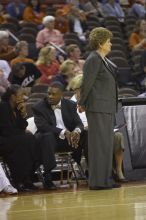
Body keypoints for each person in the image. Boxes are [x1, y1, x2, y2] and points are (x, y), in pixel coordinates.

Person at [79, 27, 119, 190]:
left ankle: (106, 180)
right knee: (99, 145)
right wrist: (82, 103)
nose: (110, 44)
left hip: (106, 107)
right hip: (97, 108)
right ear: (101, 43)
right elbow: (87, 83)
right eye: (108, 41)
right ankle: (97, 182)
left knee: (106, 145)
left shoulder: (102, 59)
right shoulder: (93, 59)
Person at [32, 81, 88, 189]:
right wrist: (63, 132)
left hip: (68, 140)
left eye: (53, 94)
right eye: (49, 94)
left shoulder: (70, 104)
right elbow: (43, 127)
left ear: (61, 95)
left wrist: (76, 131)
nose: (50, 96)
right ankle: (48, 176)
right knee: (47, 136)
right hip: (49, 140)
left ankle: (93, 171)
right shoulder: (39, 107)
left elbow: (78, 123)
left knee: (86, 133)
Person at [0, 85, 38, 192]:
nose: (23, 97)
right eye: (21, 95)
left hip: (14, 140)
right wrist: (22, 133)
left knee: (29, 139)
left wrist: (23, 113)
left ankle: (25, 178)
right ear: (12, 96)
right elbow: (7, 131)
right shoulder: (2, 107)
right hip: (3, 140)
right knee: (24, 141)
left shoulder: (17, 108)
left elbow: (22, 126)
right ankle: (20, 180)